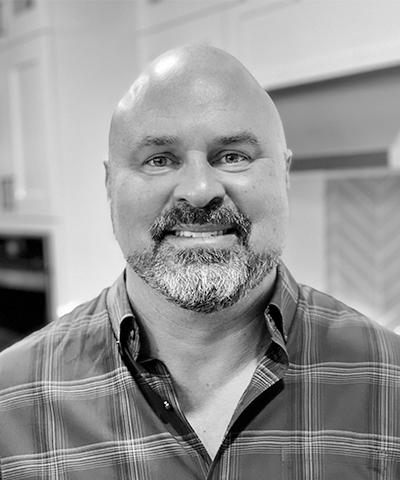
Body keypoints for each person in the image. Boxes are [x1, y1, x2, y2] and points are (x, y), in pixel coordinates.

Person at [0, 45, 399, 480]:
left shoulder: (390, 380)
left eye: (233, 156)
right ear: (110, 185)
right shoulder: (11, 400)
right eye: (159, 160)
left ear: (284, 174)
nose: (199, 189)